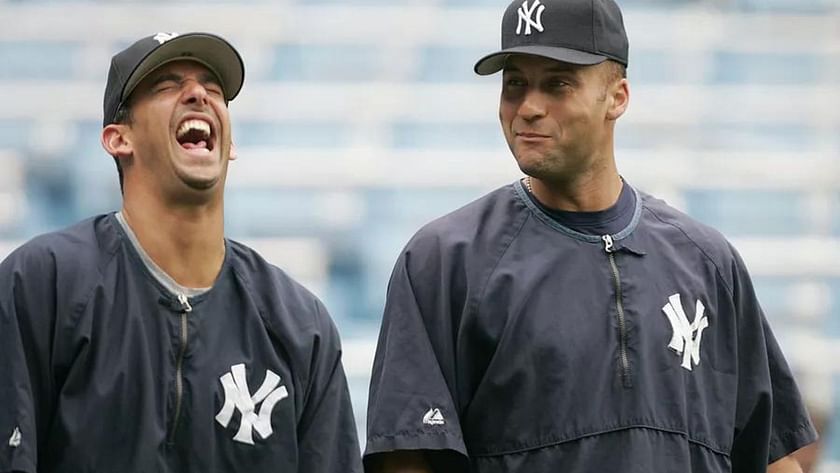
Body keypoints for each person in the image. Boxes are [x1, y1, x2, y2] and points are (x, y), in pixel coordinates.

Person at [363, 0, 817, 472]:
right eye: (515, 83)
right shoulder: (445, 259)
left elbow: (770, 456)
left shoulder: (707, 261)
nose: (529, 108)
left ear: (617, 97)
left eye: (558, 83)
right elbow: (408, 459)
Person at [0, 32, 362, 473]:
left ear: (231, 147)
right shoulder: (43, 283)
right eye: (166, 86)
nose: (198, 95)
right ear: (118, 139)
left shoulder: (300, 324)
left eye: (213, 89)